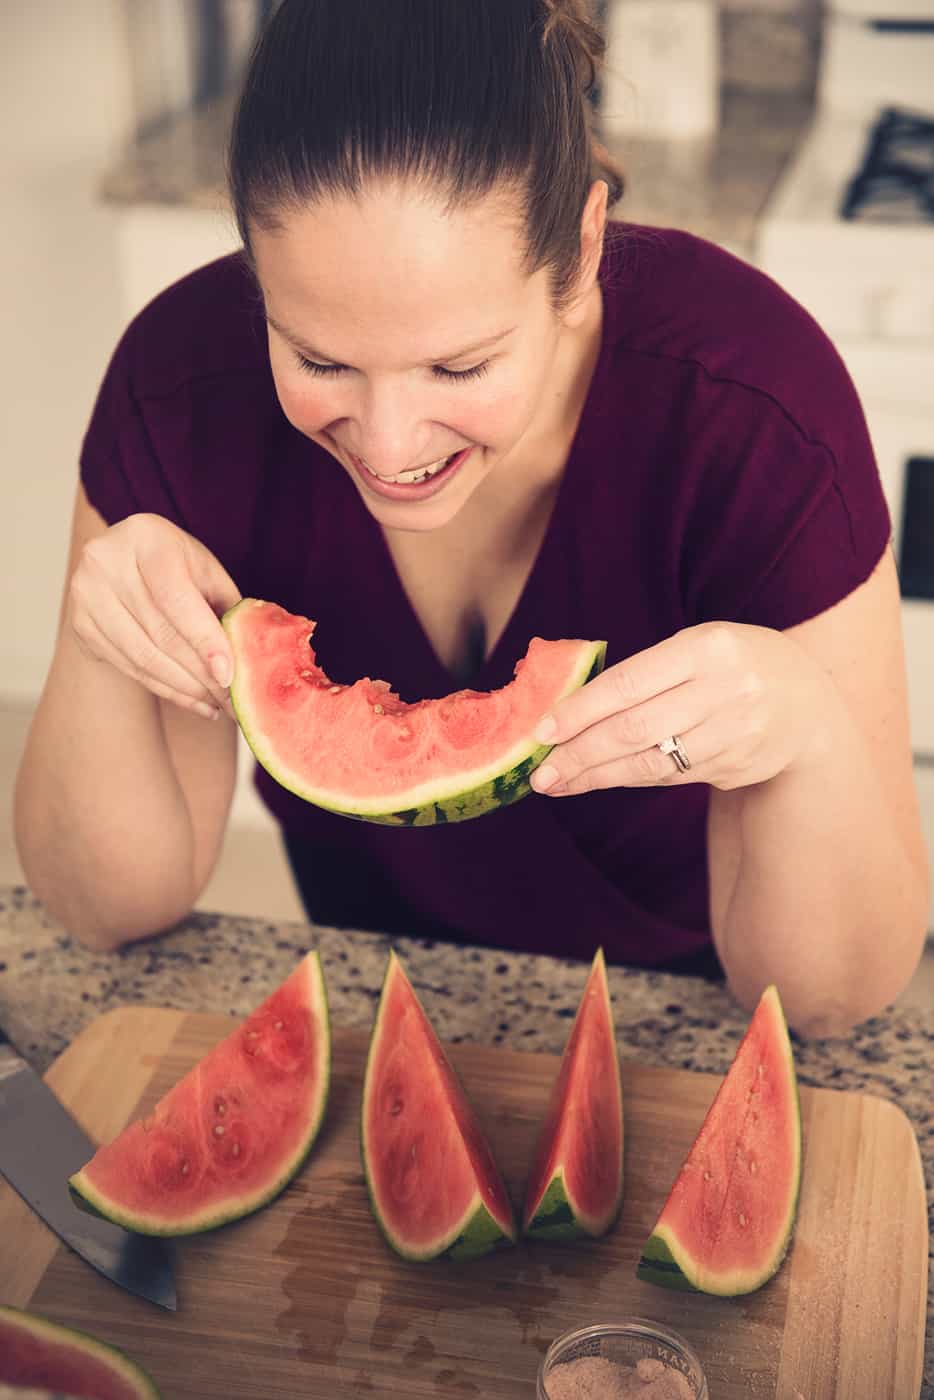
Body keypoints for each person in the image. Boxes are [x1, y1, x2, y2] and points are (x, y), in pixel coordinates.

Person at [14, 0, 928, 1037]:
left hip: (690, 1026)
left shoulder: (754, 408)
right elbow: (108, 907)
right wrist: (99, 640)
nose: (391, 442)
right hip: (377, 1014)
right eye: (317, 359)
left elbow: (826, 998)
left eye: (460, 364)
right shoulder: (179, 387)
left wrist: (801, 726)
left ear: (581, 251)